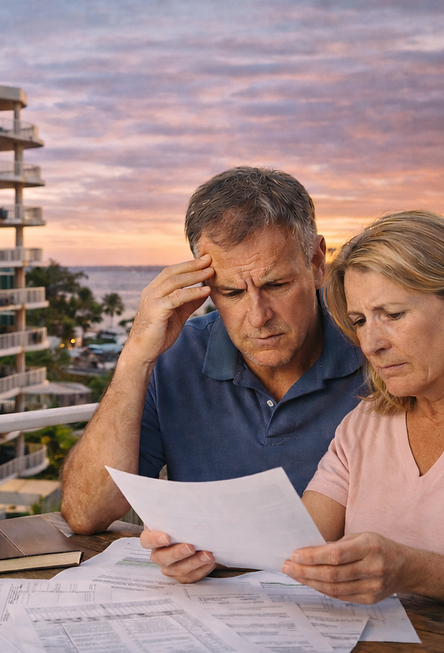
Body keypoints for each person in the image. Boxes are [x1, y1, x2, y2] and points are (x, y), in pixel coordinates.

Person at [144, 210, 444, 646]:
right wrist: (201, 552)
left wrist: (412, 569)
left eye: (392, 315)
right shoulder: (365, 423)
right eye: (359, 321)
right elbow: (291, 546)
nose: (371, 344)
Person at [61, 167, 365, 537]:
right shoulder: (175, 356)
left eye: (277, 284)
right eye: (232, 292)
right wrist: (135, 358)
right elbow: (85, 513)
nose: (258, 316)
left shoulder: (375, 352)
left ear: (317, 264)